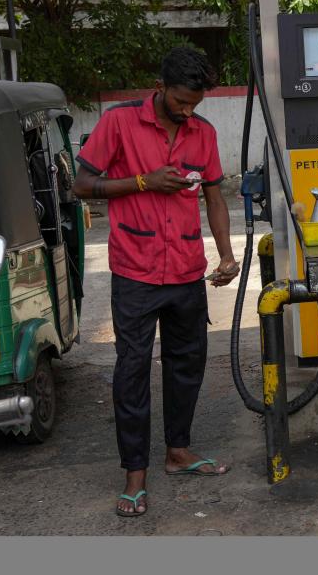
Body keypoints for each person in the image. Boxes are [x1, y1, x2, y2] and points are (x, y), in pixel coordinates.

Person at [72, 47, 240, 517]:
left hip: (186, 269)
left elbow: (214, 197)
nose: (188, 111)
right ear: (162, 87)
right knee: (132, 373)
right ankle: (134, 476)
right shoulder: (119, 123)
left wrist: (227, 255)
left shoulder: (202, 133)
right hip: (135, 271)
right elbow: (82, 187)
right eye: (182, 102)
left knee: (187, 366)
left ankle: (178, 453)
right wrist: (143, 182)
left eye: (196, 104)